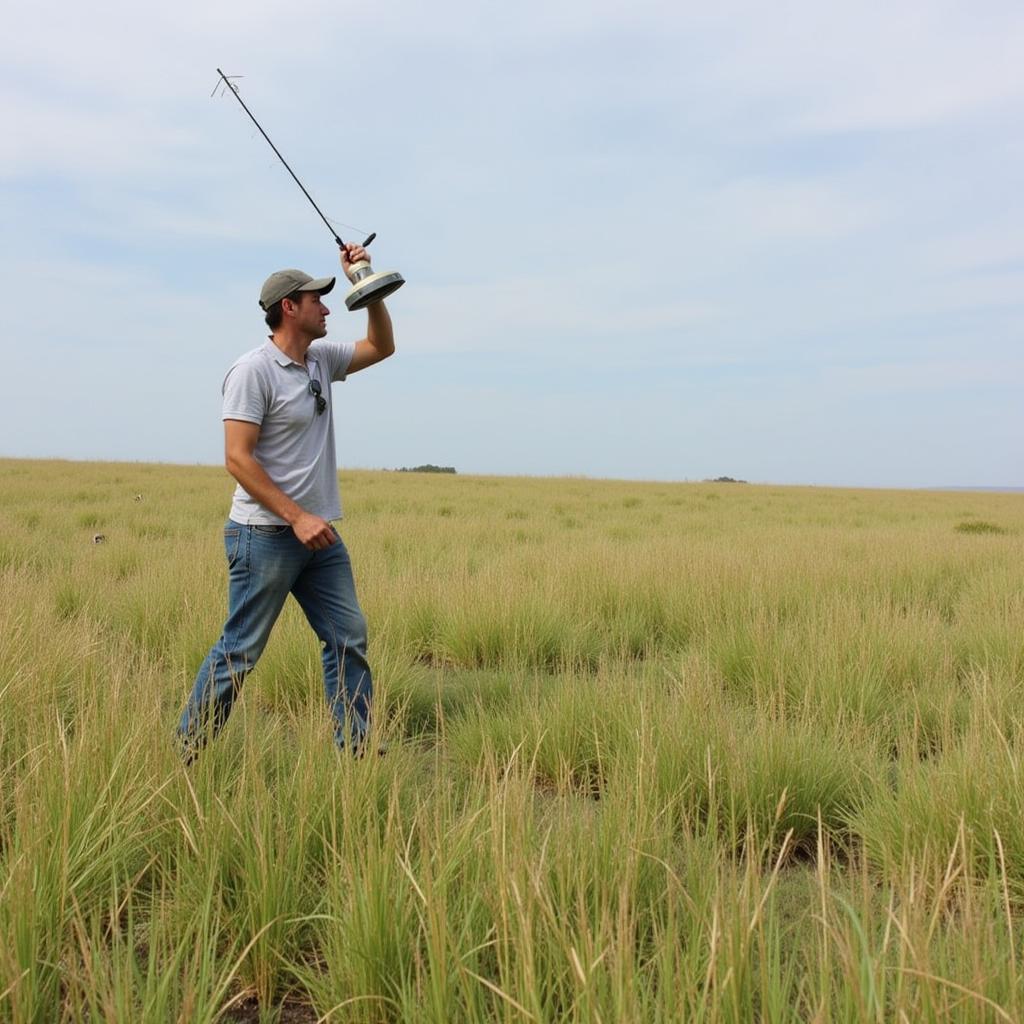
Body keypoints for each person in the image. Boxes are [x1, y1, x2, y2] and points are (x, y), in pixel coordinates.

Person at [177, 243, 394, 760]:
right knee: (241, 651)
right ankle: (188, 750)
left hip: (318, 535)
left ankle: (356, 750)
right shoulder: (253, 372)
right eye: (316, 298)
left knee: (349, 637)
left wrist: (367, 284)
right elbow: (238, 458)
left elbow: (381, 346)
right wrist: (296, 517)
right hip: (264, 535)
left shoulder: (322, 359)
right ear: (288, 308)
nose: (325, 306)